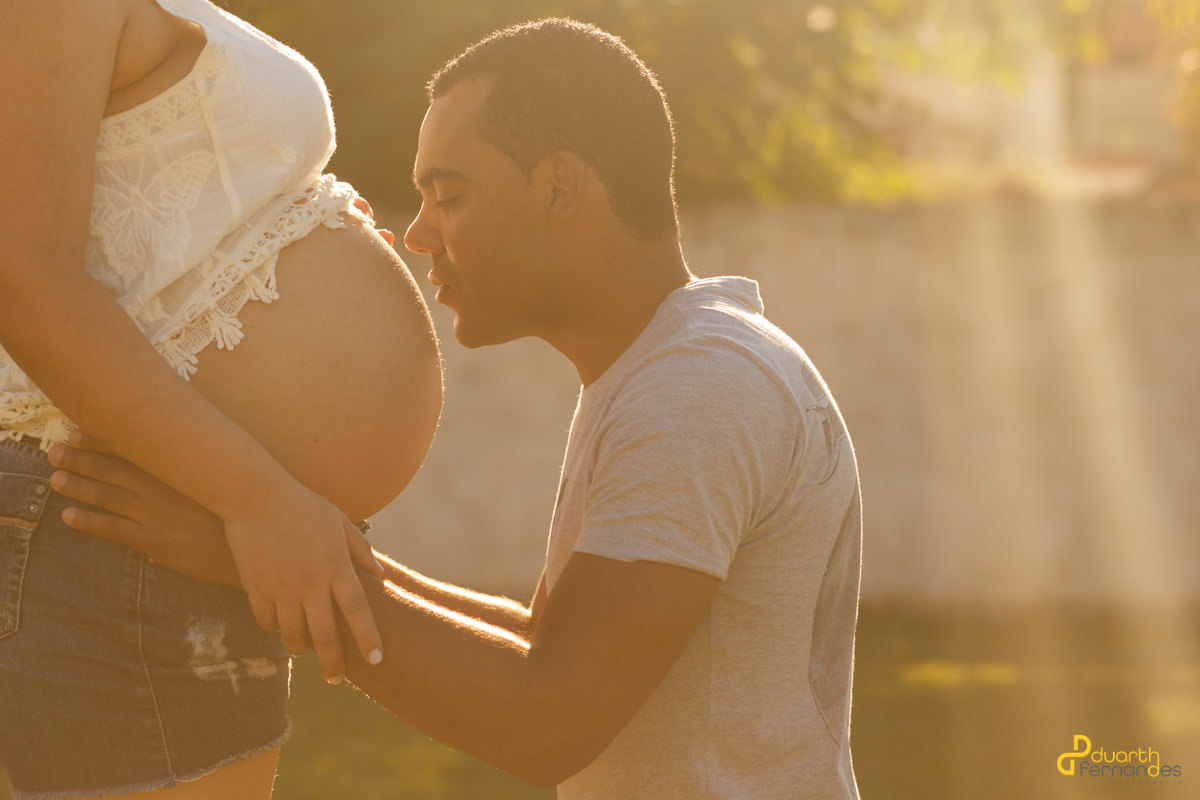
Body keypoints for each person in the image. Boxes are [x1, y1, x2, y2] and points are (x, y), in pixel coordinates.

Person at [49, 17, 864, 799]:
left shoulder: (696, 389)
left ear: (559, 188)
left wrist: (259, 560)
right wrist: (304, 542)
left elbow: (549, 719)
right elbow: (547, 642)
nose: (418, 235)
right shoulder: (670, 366)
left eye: (450, 195)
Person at [0, 0, 442, 797]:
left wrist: (299, 213)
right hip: (127, 512)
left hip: (195, 516)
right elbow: (25, 277)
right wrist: (260, 501)